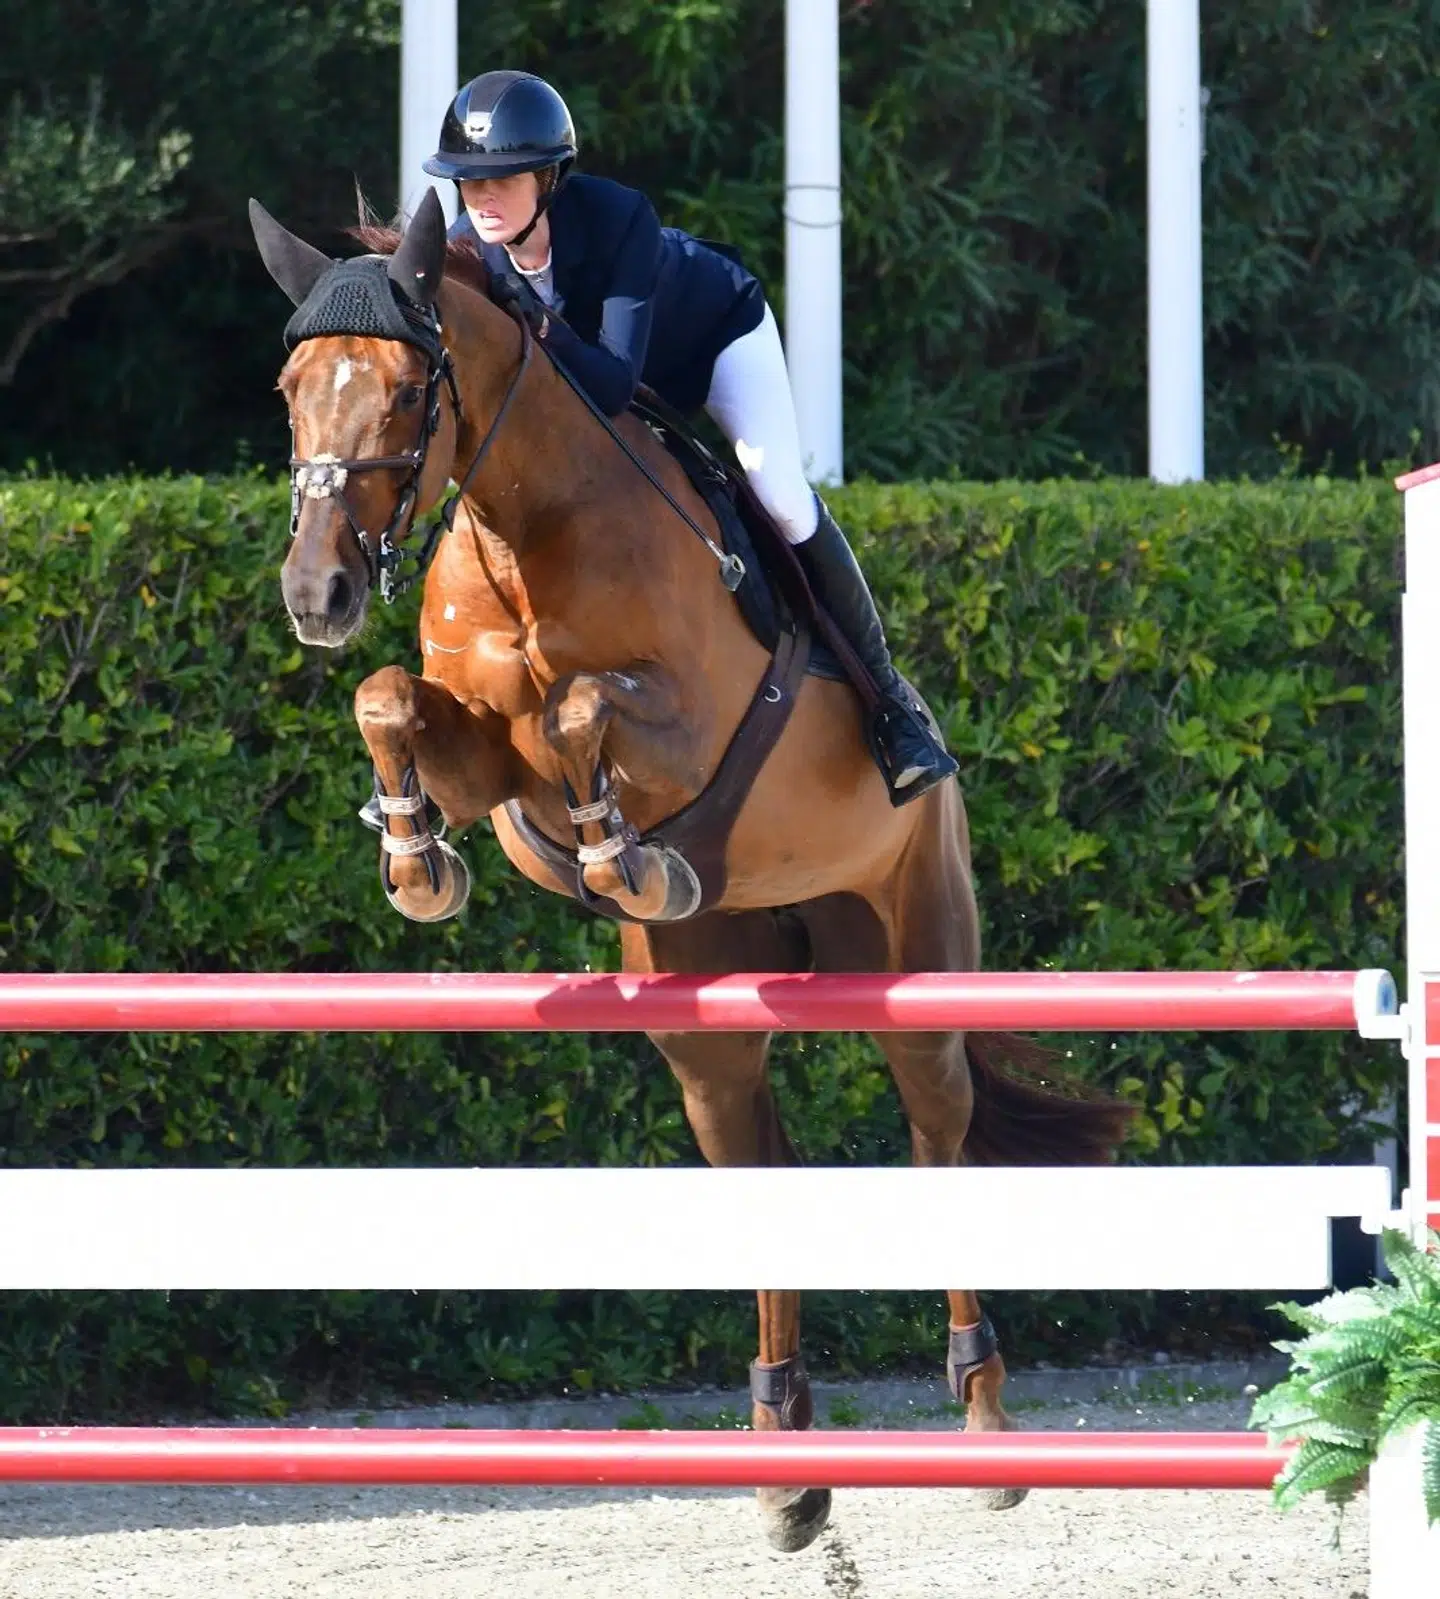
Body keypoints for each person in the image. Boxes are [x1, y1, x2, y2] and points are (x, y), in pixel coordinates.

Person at [423, 70, 958, 805]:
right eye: (466, 183)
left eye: (500, 181)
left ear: (548, 178)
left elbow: (611, 384)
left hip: (710, 343)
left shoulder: (618, 220)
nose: (479, 200)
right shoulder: (465, 251)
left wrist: (529, 314)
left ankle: (891, 707)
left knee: (779, 491)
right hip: (605, 392)